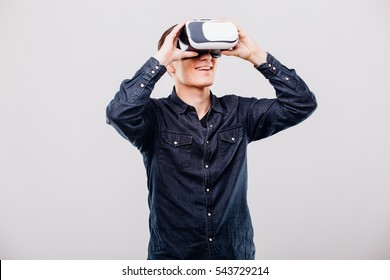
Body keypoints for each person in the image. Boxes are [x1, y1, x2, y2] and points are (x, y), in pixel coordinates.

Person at [106, 20, 317, 260]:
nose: (206, 59)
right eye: (194, 53)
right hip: (174, 260)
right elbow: (118, 113)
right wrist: (160, 60)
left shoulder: (239, 112)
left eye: (212, 53)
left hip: (234, 259)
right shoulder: (154, 118)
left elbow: (302, 103)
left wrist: (257, 56)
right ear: (171, 66)